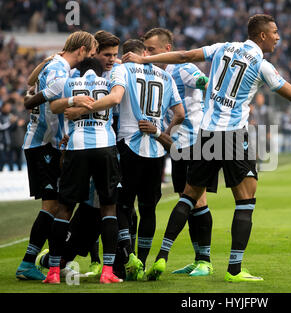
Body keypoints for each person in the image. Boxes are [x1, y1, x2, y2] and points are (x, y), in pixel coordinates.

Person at [123, 13, 291, 282]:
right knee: (245, 200)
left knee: (188, 196)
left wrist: (144, 59)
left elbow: (183, 56)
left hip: (206, 134)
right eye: (275, 32)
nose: (278, 37)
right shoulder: (262, 65)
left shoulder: (222, 48)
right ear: (262, 35)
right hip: (232, 136)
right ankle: (234, 269)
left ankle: (162, 257)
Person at [74, 39, 183, 279]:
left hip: (127, 144)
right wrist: (161, 131)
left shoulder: (121, 69)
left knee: (120, 204)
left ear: (125, 54)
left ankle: (127, 256)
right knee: (148, 209)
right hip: (156, 148)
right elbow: (180, 113)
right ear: (144, 52)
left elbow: (114, 101)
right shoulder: (166, 75)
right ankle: (142, 263)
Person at [15, 31, 97, 281]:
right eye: (91, 53)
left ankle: (51, 262)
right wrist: (30, 102)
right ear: (82, 50)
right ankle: (28, 263)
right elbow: (41, 97)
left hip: (50, 145)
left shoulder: (56, 63)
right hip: (42, 145)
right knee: (52, 206)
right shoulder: (60, 70)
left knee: (60, 205)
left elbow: (31, 80)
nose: (90, 59)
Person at [141, 28, 214, 277]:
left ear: (167, 49)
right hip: (179, 144)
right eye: (145, 49)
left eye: (151, 50)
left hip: (197, 141)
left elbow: (209, 84)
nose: (147, 54)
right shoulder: (158, 74)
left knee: (197, 199)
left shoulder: (181, 68)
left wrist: (203, 113)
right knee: (191, 201)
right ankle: (198, 259)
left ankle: (205, 260)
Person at [43, 57, 122, 284]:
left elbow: (53, 106)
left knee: (65, 207)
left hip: (76, 147)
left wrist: (73, 101)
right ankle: (107, 271)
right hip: (105, 146)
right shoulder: (109, 84)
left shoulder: (70, 83)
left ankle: (54, 271)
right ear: (99, 71)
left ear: (80, 70)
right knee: (108, 207)